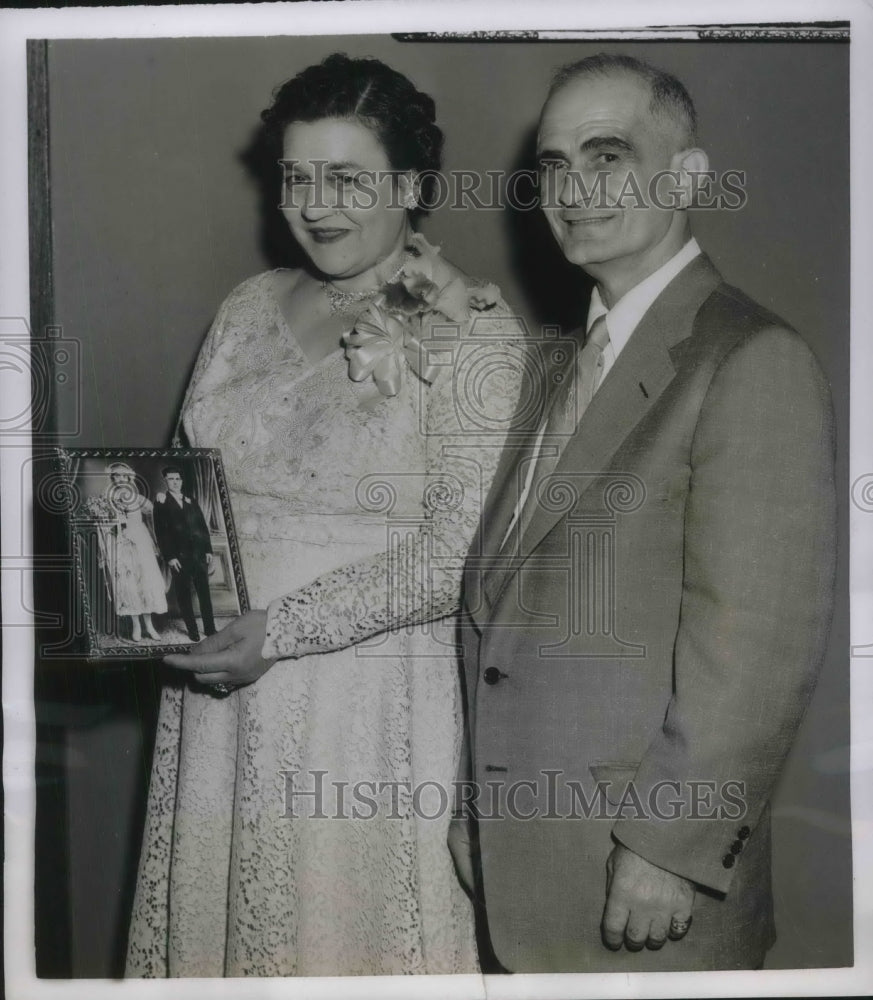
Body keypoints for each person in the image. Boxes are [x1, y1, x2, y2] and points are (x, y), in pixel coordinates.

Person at [125, 54, 527, 977]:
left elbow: (456, 552)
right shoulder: (246, 306)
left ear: (415, 184)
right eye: (297, 177)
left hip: (360, 707)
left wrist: (285, 629)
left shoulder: (470, 329)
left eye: (347, 177)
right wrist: (148, 593)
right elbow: (188, 491)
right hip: (219, 693)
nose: (316, 203)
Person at [452, 54, 836, 973]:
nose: (572, 188)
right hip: (528, 874)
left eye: (607, 153)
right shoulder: (555, 365)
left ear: (688, 176)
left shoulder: (750, 358)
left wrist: (668, 848)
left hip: (645, 890)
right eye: (552, 163)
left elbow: (756, 643)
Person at [102, 462, 166, 642]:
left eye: (124, 476)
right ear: (112, 478)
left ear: (129, 478)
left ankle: (150, 626)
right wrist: (112, 524)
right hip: (121, 542)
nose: (121, 479)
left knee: (145, 581)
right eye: (117, 476)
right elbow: (103, 523)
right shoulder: (107, 499)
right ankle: (136, 627)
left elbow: (154, 512)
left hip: (140, 540)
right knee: (129, 584)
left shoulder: (137, 498)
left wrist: (161, 500)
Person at [153, 465, 216, 643]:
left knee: (204, 593)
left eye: (178, 479)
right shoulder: (162, 501)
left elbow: (202, 527)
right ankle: (192, 630)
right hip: (178, 558)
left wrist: (208, 549)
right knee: (184, 594)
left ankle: (210, 628)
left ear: (182, 480)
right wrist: (170, 557)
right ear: (166, 481)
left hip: (198, 554)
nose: (175, 482)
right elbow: (161, 532)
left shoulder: (191, 500)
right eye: (171, 479)